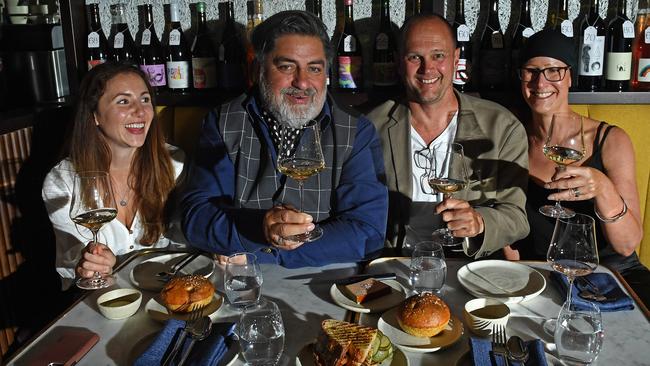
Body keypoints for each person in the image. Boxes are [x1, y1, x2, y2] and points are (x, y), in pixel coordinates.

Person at [180, 11, 387, 267]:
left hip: (325, 282)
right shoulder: (223, 122)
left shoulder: (356, 131)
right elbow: (197, 218)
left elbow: (368, 234)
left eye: (314, 68)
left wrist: (267, 251)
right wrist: (261, 228)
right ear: (258, 69)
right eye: (287, 66)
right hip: (242, 281)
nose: (302, 82)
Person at [367, 14, 529, 258]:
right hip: (393, 263)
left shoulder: (503, 126)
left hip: (469, 267)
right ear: (399, 64)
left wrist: (480, 222)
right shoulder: (370, 127)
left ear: (455, 60)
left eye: (438, 56)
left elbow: (516, 217)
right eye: (414, 57)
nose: (427, 68)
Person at [507, 29, 649, 306]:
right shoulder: (511, 139)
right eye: (531, 71)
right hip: (547, 276)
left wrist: (603, 188)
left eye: (554, 71)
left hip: (615, 274)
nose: (541, 82)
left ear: (570, 76)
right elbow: (509, 236)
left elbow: (626, 245)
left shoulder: (609, 139)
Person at [42, 63, 185, 290]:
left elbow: (189, 236)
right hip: (104, 298)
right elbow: (71, 257)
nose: (140, 111)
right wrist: (88, 262)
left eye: (145, 99)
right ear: (94, 115)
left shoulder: (175, 164)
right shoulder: (63, 181)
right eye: (123, 101)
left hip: (168, 290)